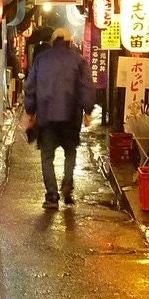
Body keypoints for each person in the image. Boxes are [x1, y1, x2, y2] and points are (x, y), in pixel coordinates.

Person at [24, 27, 95, 208]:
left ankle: (51, 197)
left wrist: (30, 112)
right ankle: (67, 183)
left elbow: (30, 87)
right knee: (70, 152)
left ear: (52, 41)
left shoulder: (41, 59)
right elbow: (87, 86)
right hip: (71, 117)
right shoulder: (78, 60)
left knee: (47, 156)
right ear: (70, 42)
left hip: (46, 117)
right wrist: (88, 111)